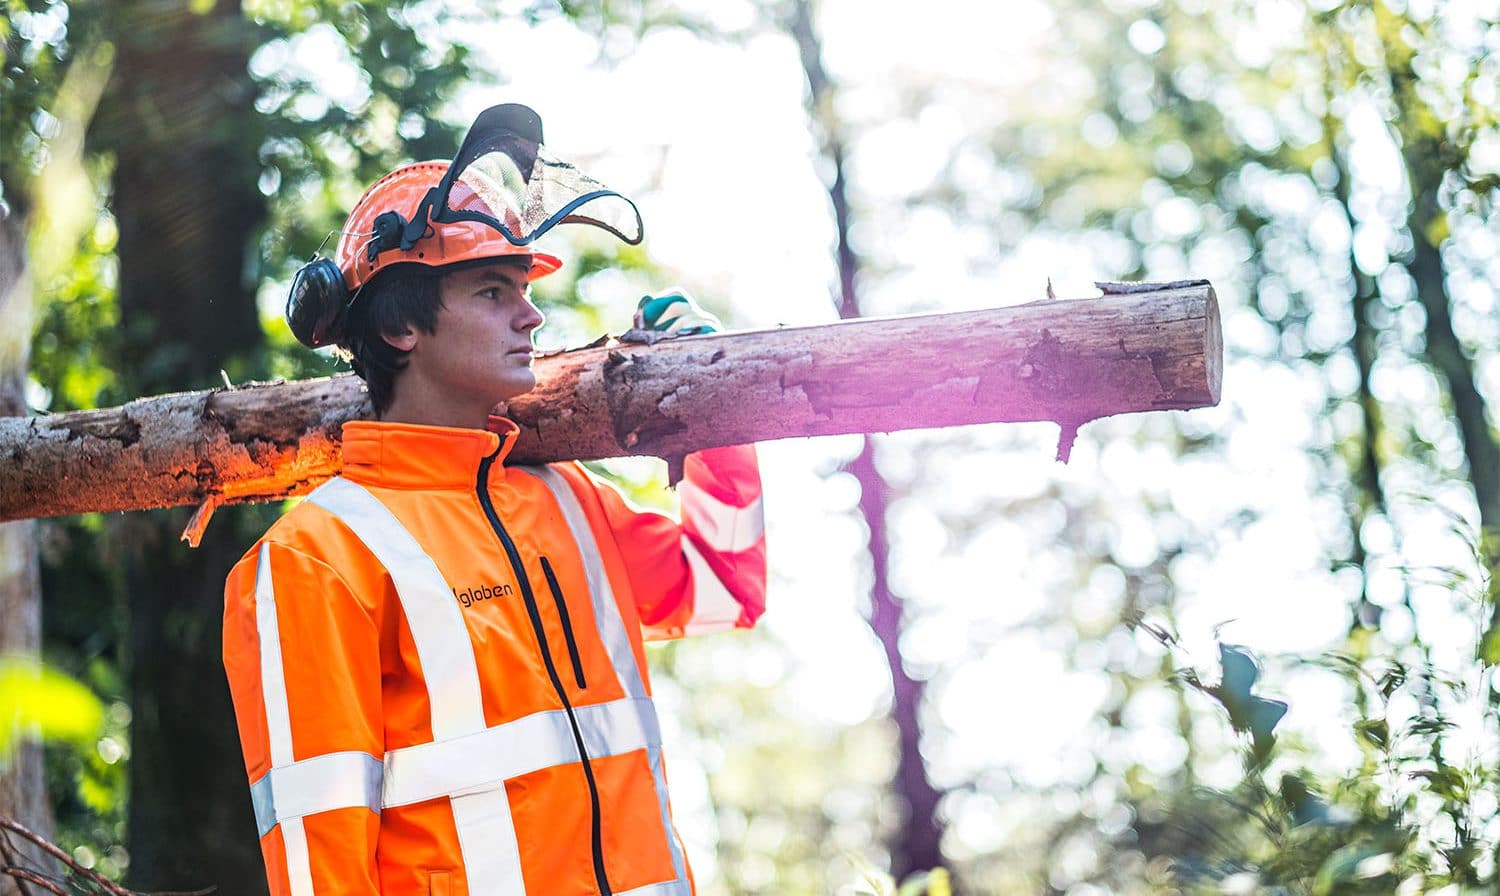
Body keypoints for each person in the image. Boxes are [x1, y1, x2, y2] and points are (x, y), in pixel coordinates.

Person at [221, 104, 766, 896]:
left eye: (522, 286)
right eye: (491, 290)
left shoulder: (572, 501)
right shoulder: (313, 561)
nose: (531, 312)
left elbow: (721, 591)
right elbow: (319, 862)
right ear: (403, 326)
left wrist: (713, 410)